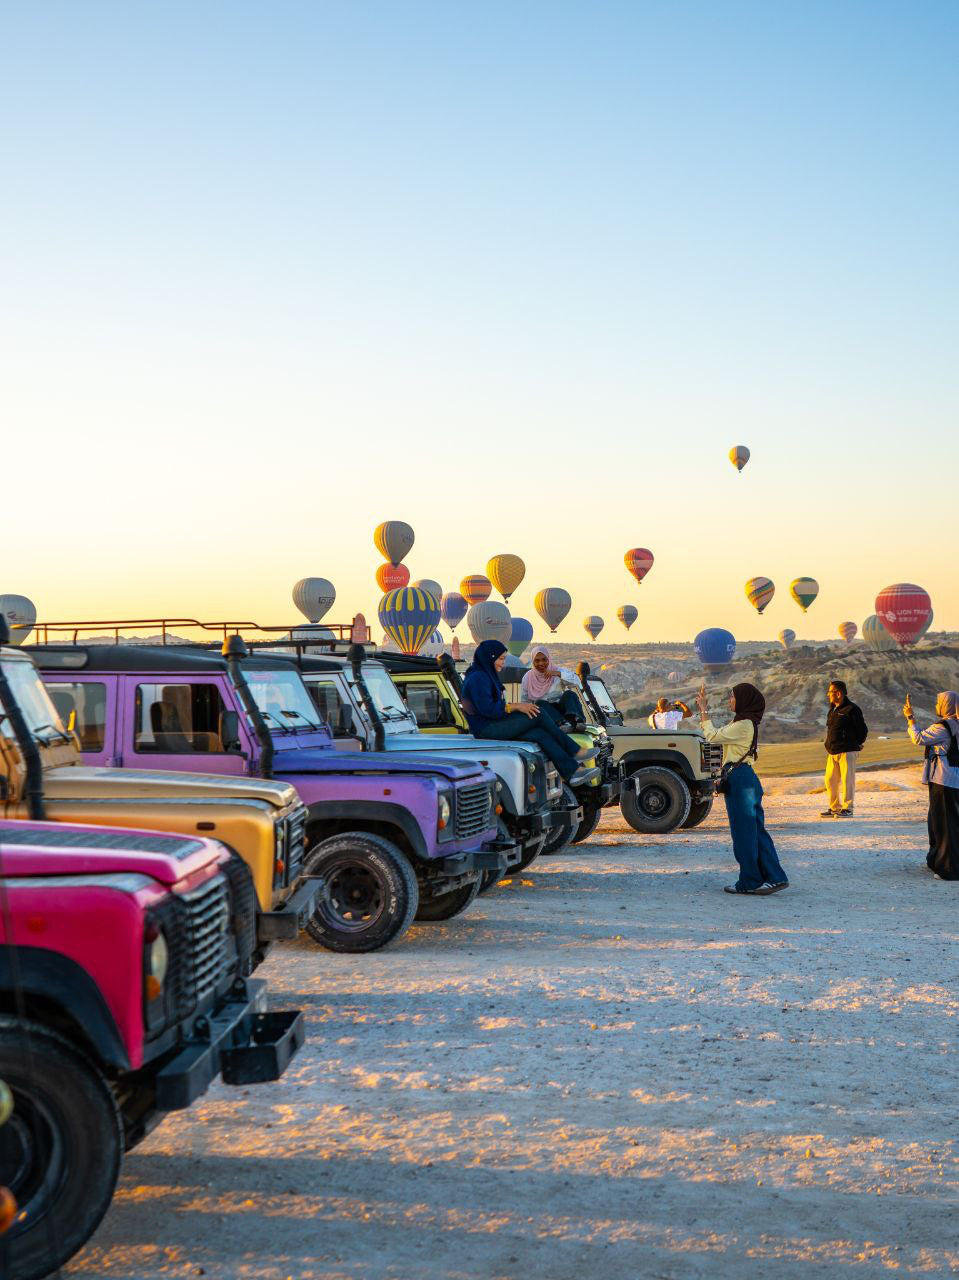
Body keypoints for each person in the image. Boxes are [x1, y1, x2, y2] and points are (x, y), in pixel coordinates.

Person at [462, 640, 600, 786]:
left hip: (493, 723)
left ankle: (573, 773)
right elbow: (487, 709)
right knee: (537, 712)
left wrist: (516, 708)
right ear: (490, 657)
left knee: (539, 733)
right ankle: (574, 751)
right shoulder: (478, 678)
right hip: (487, 728)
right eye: (501, 659)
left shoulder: (484, 675)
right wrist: (516, 707)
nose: (503, 663)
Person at [695, 681, 788, 896]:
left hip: (741, 781)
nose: (730, 700)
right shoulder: (743, 723)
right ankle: (775, 877)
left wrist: (704, 710)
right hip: (745, 779)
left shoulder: (744, 724)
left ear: (744, 700)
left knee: (744, 834)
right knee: (756, 832)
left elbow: (712, 737)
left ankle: (750, 881)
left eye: (733, 697)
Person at [903, 691, 959, 880]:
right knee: (944, 822)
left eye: (938, 702)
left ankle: (949, 869)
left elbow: (919, 738)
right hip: (953, 779)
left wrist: (910, 718)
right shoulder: (956, 724)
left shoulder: (943, 727)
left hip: (943, 779)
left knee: (944, 824)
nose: (936, 705)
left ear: (946, 705)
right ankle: (936, 860)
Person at [821, 679, 868, 817]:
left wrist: (858, 744)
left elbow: (863, 730)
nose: (828, 694)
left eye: (830, 692)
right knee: (830, 780)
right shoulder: (832, 709)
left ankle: (848, 808)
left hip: (848, 751)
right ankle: (834, 808)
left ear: (839, 693)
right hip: (832, 751)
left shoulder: (852, 709)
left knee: (848, 781)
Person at [520, 646, 587, 730]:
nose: (541, 663)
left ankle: (577, 721)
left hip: (563, 711)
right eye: (537, 661)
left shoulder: (557, 670)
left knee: (569, 694)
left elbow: (577, 682)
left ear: (549, 659)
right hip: (546, 715)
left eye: (544, 659)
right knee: (540, 703)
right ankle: (562, 724)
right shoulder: (528, 677)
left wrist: (558, 674)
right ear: (533, 661)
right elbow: (525, 701)